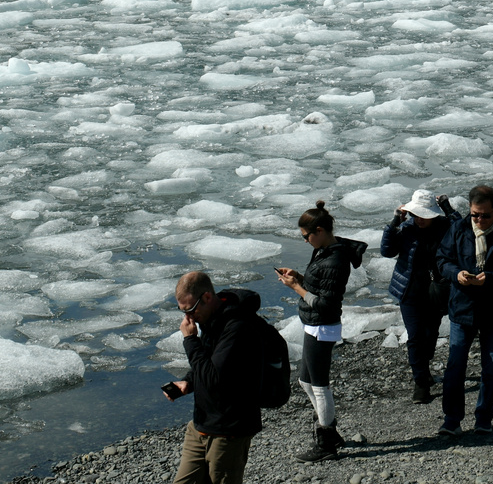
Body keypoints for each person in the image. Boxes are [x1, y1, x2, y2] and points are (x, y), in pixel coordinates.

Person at [275, 201, 366, 462]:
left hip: (322, 326)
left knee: (319, 385)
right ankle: (329, 429)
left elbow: (326, 304)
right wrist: (300, 279)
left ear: (319, 230)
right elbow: (319, 288)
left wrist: (296, 288)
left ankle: (326, 441)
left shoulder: (336, 259)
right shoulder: (324, 251)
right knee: (305, 381)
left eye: (306, 236)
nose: (305, 242)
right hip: (314, 323)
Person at [435, 185, 493, 437]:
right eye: (475, 214)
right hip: (462, 307)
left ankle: (484, 417)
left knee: (491, 366)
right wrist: (456, 274)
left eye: (485, 215)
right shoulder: (458, 229)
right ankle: (451, 420)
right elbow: (442, 260)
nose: (479, 220)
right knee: (455, 366)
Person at [169, 272, 263, 484]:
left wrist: (190, 340)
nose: (188, 318)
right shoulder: (210, 319)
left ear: (208, 298)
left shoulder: (236, 326)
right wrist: (189, 381)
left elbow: (214, 378)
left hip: (228, 430)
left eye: (191, 310)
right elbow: (210, 363)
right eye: (183, 311)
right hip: (201, 423)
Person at [380, 189, 460, 404]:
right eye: (416, 215)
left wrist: (448, 208)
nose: (419, 219)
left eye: (424, 215)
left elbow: (465, 231)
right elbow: (386, 251)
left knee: (430, 333)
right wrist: (394, 222)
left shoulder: (446, 227)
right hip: (410, 289)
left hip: (437, 289)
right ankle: (421, 383)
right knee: (415, 336)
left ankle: (424, 368)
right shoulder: (407, 229)